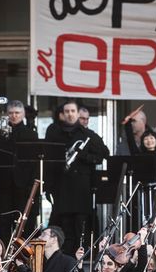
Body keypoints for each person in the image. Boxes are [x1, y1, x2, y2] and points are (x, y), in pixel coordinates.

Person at [45, 100, 110, 255]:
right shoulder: (55, 133)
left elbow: (103, 154)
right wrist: (47, 186)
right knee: (65, 226)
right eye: (67, 111)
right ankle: (66, 260)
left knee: (81, 226)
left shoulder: (87, 134)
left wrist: (84, 157)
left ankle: (80, 263)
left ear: (77, 113)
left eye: (73, 111)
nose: (70, 114)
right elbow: (48, 160)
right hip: (62, 187)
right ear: (62, 114)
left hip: (82, 188)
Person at [0, 100, 39, 243]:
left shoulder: (31, 133)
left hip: (24, 185)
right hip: (4, 184)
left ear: (23, 114)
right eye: (11, 113)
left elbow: (34, 162)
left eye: (17, 113)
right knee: (5, 221)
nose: (14, 116)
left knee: (24, 222)